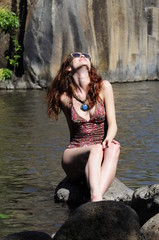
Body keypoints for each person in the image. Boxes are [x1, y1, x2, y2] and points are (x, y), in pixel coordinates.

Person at [46, 52, 120, 202]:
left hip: (99, 149)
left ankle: (95, 197)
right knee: (95, 148)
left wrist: (108, 139)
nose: (82, 56)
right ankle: (96, 196)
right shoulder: (64, 98)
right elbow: (72, 132)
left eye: (86, 55)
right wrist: (91, 152)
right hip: (75, 153)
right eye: (76, 55)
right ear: (68, 68)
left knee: (114, 147)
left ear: (90, 65)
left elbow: (113, 125)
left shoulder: (104, 87)